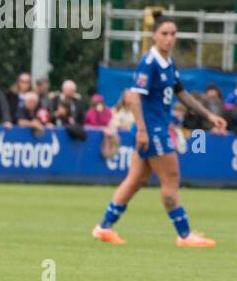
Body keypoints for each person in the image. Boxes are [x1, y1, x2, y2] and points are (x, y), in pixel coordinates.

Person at [93, 15, 226, 247]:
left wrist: (209, 115)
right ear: (154, 35)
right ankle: (184, 235)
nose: (169, 38)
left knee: (135, 180)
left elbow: (181, 93)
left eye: (173, 34)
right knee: (171, 180)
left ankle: (103, 228)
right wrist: (143, 131)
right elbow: (133, 97)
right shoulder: (149, 62)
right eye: (164, 33)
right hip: (153, 131)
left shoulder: (168, 62)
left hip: (154, 129)